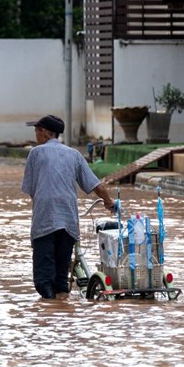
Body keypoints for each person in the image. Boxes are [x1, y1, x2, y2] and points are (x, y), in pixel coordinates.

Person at [21, 114, 117, 300]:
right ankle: (63, 308)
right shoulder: (74, 155)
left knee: (43, 280)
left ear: (44, 132)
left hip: (44, 220)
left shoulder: (36, 153)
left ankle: (50, 309)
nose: (35, 135)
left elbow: (32, 191)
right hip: (68, 222)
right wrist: (109, 202)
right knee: (61, 278)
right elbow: (96, 185)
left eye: (36, 131)